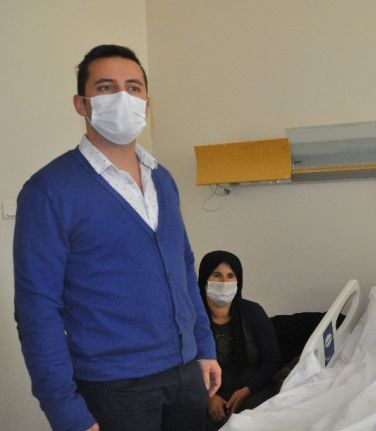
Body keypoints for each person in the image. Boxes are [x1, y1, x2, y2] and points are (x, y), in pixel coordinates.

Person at [13, 44, 220, 431]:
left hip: (185, 377)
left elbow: (184, 266)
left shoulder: (162, 179)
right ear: (82, 104)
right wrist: (65, 411)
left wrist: (204, 347)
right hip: (115, 388)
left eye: (134, 87)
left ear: (147, 104)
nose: (123, 97)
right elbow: (36, 309)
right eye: (106, 87)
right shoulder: (50, 191)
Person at [198, 251, 281, 430]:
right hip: (202, 394)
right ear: (204, 280)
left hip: (252, 391)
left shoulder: (253, 313)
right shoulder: (191, 318)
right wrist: (209, 396)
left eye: (230, 276)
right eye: (216, 275)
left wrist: (246, 390)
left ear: (238, 281)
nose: (224, 282)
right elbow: (183, 366)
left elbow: (272, 360)